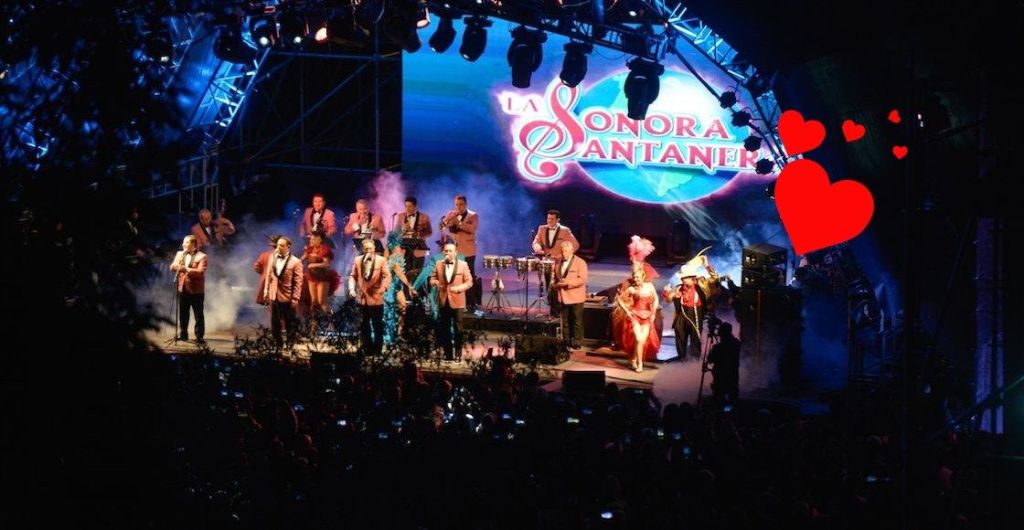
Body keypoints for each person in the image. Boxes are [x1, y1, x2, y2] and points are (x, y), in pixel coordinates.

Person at [663, 252, 719, 361]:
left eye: (685, 278)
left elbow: (715, 278)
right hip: (682, 315)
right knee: (680, 336)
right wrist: (667, 292)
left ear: (692, 278)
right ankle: (682, 358)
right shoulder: (679, 288)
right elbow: (669, 299)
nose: (683, 280)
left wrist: (706, 265)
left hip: (696, 313)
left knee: (695, 338)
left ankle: (694, 361)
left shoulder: (702, 284)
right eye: (683, 278)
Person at [256, 237, 304, 349]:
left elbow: (298, 282)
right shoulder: (272, 258)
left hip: (288, 297)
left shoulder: (296, 262)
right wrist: (266, 291)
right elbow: (268, 275)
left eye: (281, 245)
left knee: (289, 323)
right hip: (274, 295)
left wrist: (295, 298)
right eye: (277, 245)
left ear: (288, 246)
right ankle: (278, 344)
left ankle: (290, 344)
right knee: (275, 323)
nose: (278, 248)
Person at [430, 242, 473, 360]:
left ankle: (458, 353)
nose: (447, 253)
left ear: (455, 253)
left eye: (450, 251)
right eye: (446, 251)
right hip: (444, 300)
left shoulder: (463, 265)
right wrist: (436, 283)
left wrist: (459, 289)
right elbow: (432, 279)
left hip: (457, 301)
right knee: (445, 328)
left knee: (458, 328)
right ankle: (448, 354)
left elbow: (469, 282)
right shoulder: (439, 264)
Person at [349, 238, 390, 356]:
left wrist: (383, 289)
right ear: (363, 249)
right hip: (362, 298)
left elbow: (387, 276)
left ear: (374, 249)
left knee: (377, 325)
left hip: (376, 298)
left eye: (370, 248)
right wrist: (352, 289)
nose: (368, 251)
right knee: (364, 324)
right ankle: (367, 348)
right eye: (366, 249)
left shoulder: (381, 260)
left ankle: (377, 350)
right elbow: (353, 276)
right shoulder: (357, 260)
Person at [615, 265, 660, 372]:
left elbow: (656, 299)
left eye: (638, 277)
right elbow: (619, 300)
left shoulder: (649, 286)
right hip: (635, 315)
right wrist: (627, 312)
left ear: (643, 277)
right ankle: (640, 364)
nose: (636, 279)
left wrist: (653, 312)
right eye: (635, 277)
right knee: (639, 339)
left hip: (647, 317)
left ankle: (634, 358)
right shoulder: (631, 289)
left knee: (641, 341)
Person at [438, 195, 479, 305]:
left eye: (461, 205)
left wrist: (459, 223)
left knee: (468, 276)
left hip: (468, 250)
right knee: (454, 276)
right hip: (454, 251)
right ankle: (455, 300)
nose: (458, 207)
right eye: (456, 204)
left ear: (466, 204)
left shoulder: (473, 215)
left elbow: (472, 229)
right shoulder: (451, 214)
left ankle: (471, 302)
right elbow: (442, 227)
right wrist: (445, 222)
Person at [170, 235, 208, 343]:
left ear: (193, 244)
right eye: (183, 242)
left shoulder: (202, 256)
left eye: (186, 242)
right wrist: (180, 267)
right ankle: (183, 334)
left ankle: (199, 337)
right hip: (183, 288)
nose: (183, 244)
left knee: (198, 315)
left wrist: (186, 269)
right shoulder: (180, 254)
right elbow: (172, 266)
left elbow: (200, 272)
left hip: (196, 290)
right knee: (183, 314)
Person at [551, 240, 588, 349]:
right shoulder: (558, 263)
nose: (564, 254)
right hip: (563, 297)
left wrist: (568, 283)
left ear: (571, 251)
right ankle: (566, 341)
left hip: (576, 297)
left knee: (577, 321)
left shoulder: (580, 262)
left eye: (566, 252)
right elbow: (554, 277)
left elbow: (582, 279)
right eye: (562, 252)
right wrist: (554, 285)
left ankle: (577, 342)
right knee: (565, 322)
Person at [299, 230, 340, 323]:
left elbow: (326, 264)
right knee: (314, 302)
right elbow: (301, 259)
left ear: (319, 239)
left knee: (322, 301)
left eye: (313, 239)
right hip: (311, 276)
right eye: (311, 239)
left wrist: (314, 265)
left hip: (322, 276)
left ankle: (332, 323)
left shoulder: (325, 249)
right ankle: (314, 326)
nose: (311, 241)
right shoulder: (309, 249)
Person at [383, 231, 416, 343]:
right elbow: (399, 274)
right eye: (399, 245)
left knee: (403, 307)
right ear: (395, 246)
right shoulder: (394, 258)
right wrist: (409, 285)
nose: (401, 247)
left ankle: (398, 332)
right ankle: (390, 334)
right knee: (392, 310)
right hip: (392, 287)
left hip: (398, 286)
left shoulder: (394, 257)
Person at [395, 196, 432, 273]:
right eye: (406, 206)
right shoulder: (400, 216)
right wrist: (402, 230)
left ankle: (416, 285)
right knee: (404, 271)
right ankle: (406, 285)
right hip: (404, 248)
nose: (407, 209)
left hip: (419, 248)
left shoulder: (424, 217)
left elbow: (429, 232)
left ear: (415, 206)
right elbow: (396, 233)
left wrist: (418, 234)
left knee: (417, 271)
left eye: (410, 206)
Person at [706, 321, 740, 405]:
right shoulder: (737, 344)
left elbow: (710, 359)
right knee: (733, 397)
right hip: (733, 375)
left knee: (718, 400)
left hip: (720, 378)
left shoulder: (718, 348)